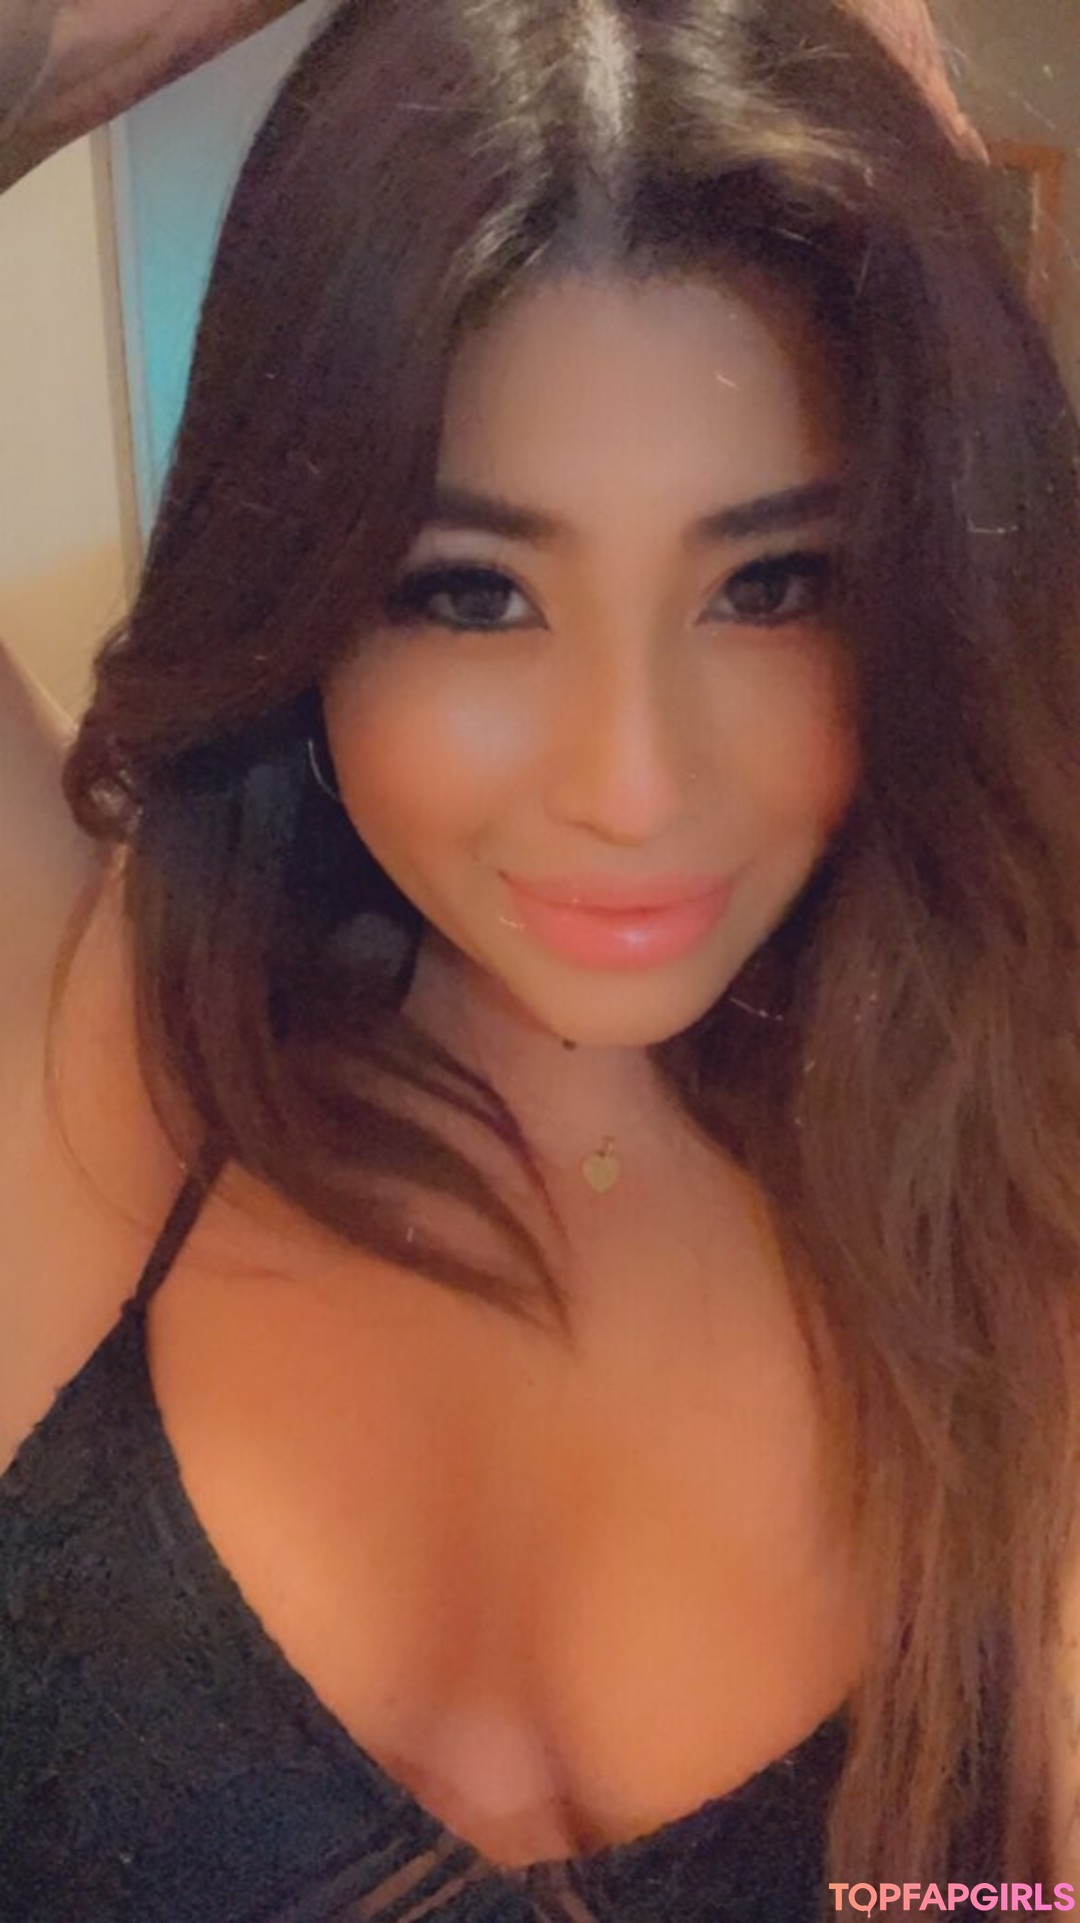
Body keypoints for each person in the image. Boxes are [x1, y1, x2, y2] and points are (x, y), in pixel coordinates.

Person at [2, 0, 1078, 1917]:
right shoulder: (94, 1046)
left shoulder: (1030, 1194)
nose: (631, 785)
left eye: (771, 585)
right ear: (303, 587)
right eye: (471, 591)